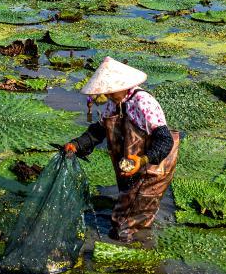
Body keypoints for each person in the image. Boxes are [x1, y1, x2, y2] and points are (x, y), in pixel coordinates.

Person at [64, 57, 179, 243]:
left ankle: (133, 256)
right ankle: (140, 242)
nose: (107, 95)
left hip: (153, 167)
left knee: (124, 222)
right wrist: (77, 144)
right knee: (132, 210)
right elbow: (99, 130)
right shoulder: (114, 103)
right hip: (131, 164)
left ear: (123, 86)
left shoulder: (144, 103)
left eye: (110, 91)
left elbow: (165, 140)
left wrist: (141, 160)